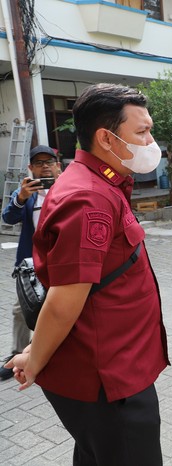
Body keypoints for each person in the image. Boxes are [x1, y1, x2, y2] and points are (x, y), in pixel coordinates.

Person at [4, 83, 169, 465]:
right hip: (108, 378)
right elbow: (64, 300)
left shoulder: (103, 184)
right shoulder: (89, 198)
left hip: (116, 363)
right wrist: (35, 358)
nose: (151, 140)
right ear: (106, 138)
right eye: (142, 132)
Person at [0, 145, 61, 381]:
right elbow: (8, 218)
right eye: (39, 163)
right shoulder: (26, 194)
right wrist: (21, 197)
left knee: (59, 309)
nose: (44, 166)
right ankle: (16, 356)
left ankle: (52, 354)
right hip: (32, 265)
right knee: (20, 310)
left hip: (62, 262)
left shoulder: (69, 189)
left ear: (58, 166)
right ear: (30, 168)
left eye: (49, 162)